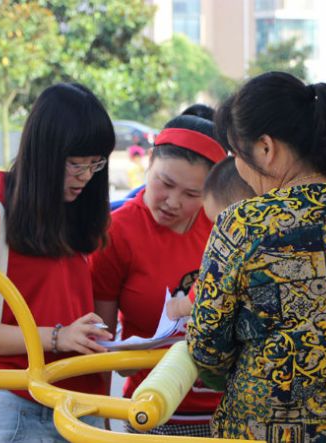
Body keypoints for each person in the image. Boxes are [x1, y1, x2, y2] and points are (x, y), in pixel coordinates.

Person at [186, 71, 326, 441]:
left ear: (265, 148)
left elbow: (208, 350)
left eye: (237, 154)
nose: (238, 167)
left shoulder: (243, 223)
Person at [0, 83, 114, 443]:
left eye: (95, 164)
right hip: (24, 398)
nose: (87, 177)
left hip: (82, 402)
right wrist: (59, 336)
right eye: (76, 164)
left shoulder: (77, 215)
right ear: (44, 154)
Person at [90, 114, 227, 437]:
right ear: (149, 163)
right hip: (154, 412)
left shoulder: (225, 226)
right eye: (164, 184)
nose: (173, 202)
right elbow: (103, 344)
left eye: (192, 194)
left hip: (228, 412)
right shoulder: (116, 233)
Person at [166, 156, 255, 320]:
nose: (217, 233)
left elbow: (205, 290)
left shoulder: (232, 256)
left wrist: (177, 307)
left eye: (221, 224)